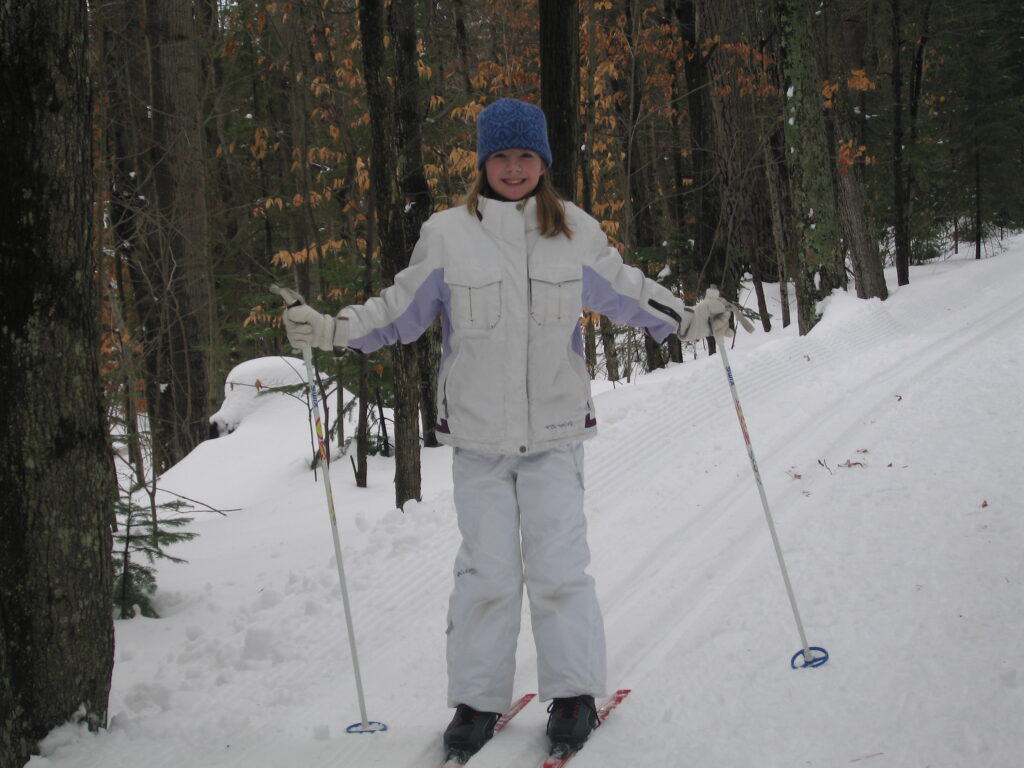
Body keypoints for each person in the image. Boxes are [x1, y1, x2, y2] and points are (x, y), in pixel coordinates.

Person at [281, 98, 738, 759]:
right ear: (483, 163)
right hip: (479, 440)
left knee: (559, 570)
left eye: (527, 156)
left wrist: (691, 318)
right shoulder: (446, 235)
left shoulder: (574, 231)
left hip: (554, 434)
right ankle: (476, 701)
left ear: (543, 163)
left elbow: (627, 290)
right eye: (502, 156)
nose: (515, 168)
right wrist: (332, 330)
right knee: (486, 574)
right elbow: (399, 310)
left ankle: (575, 693)